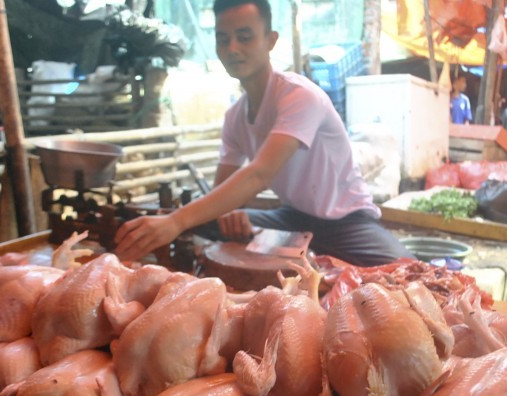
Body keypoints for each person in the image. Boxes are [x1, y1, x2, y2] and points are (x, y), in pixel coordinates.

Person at [114, 0, 414, 266]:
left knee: (411, 272)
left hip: (346, 222)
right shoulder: (235, 116)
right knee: (206, 221)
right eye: (223, 39)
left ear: (271, 41)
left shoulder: (298, 95)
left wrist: (176, 221)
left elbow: (259, 174)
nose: (232, 48)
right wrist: (227, 213)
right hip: (293, 217)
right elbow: (222, 188)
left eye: (244, 37)